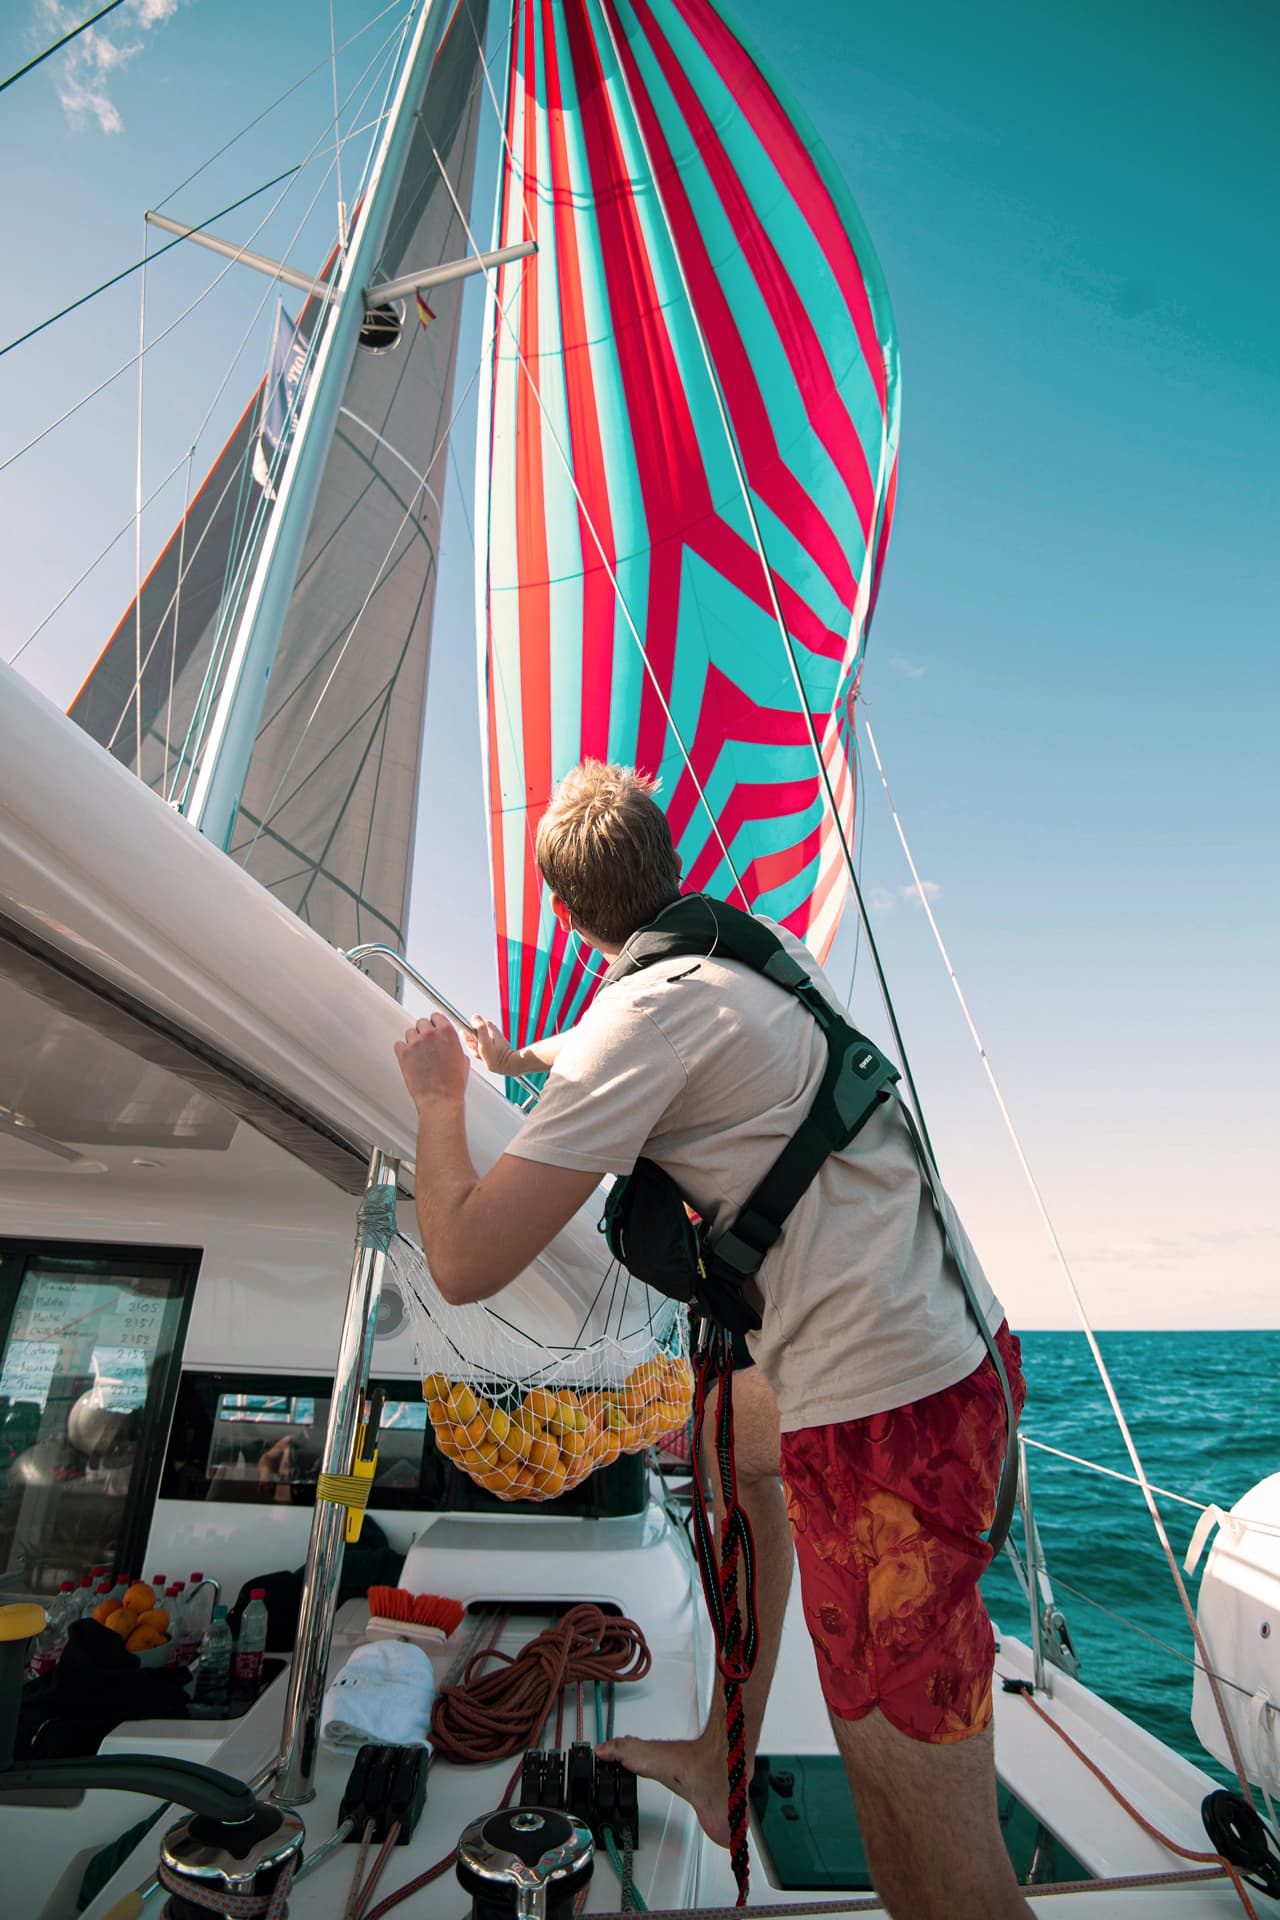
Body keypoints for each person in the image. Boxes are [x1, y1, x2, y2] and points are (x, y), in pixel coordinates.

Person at [395, 761, 1030, 1920]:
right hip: (953, 1359)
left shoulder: (636, 1018)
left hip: (886, 1418)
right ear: (666, 868)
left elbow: (465, 1259)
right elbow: (628, 1066)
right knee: (727, 1443)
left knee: (931, 1872)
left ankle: (757, 1780)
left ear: (563, 914)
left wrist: (443, 1099)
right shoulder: (736, 975)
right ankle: (722, 1767)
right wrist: (515, 1064)